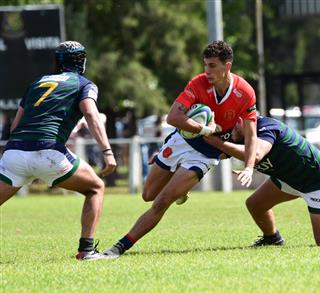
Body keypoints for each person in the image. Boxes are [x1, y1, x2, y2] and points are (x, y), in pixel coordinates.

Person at [102, 40, 257, 259]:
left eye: (212, 65)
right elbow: (173, 117)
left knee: (161, 202)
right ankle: (180, 187)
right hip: (181, 141)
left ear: (227, 66)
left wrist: (249, 167)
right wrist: (205, 128)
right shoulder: (198, 83)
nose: (207, 71)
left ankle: (118, 248)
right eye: (205, 65)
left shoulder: (245, 92)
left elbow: (251, 135)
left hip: (206, 154)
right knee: (148, 194)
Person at [0, 41, 117, 260]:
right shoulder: (84, 84)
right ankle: (87, 250)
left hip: (14, 152)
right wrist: (107, 153)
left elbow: (15, 126)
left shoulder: (36, 83)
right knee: (95, 188)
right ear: (81, 62)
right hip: (49, 152)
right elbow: (91, 114)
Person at [204, 116, 320, 246]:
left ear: (241, 120)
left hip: (317, 180)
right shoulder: (238, 136)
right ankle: (272, 239)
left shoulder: (265, 126)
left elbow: (257, 153)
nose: (227, 132)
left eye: (230, 126)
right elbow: (215, 155)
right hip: (288, 179)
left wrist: (216, 142)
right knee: (255, 204)